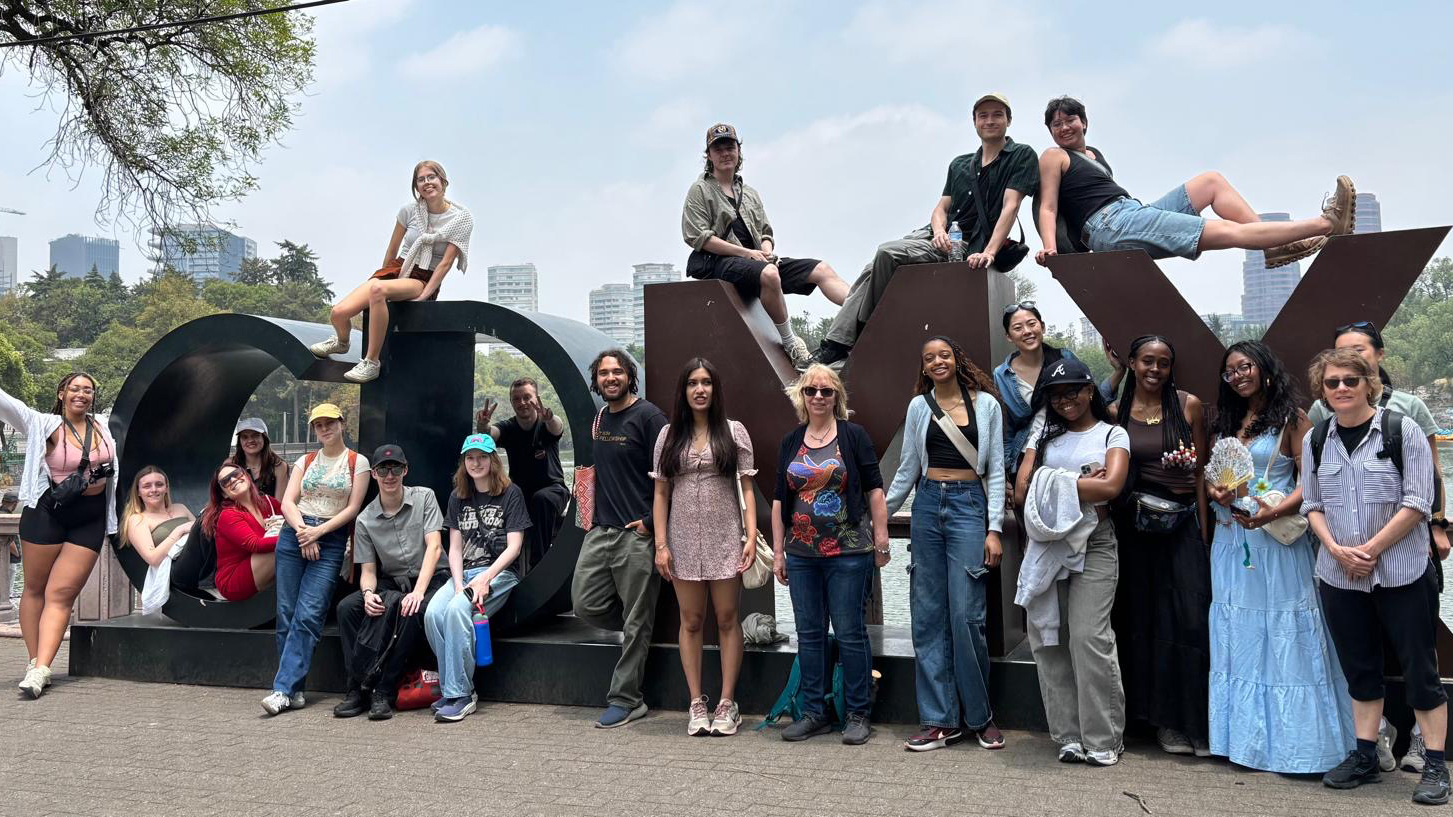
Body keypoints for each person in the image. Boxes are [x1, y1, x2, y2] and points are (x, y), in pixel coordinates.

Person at [1303, 348, 1449, 806]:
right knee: (1359, 668)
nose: (1342, 388)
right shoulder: (1317, 439)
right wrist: (1334, 549)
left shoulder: (1399, 429)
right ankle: (1365, 755)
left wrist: (1369, 550)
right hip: (1339, 575)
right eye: (1332, 383)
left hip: (1400, 572)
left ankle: (1436, 766)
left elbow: (1418, 501)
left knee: (1420, 668)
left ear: (1370, 382)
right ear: (1322, 391)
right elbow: (1312, 504)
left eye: (1351, 379)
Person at [1204, 341, 1354, 773]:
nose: (1237, 376)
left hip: (1275, 540)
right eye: (1229, 372)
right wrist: (1217, 491)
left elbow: (1313, 482)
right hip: (1232, 540)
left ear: (1265, 368)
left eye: (1244, 367)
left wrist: (1276, 508)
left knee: (1285, 629)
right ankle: (1246, 743)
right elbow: (1218, 474)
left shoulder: (1294, 419)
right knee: (1242, 632)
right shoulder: (1229, 420)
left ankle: (1299, 747)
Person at [814, 93, 1039, 367]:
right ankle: (835, 344)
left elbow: (1010, 206)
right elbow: (940, 208)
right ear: (974, 122)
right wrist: (940, 230)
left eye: (997, 115)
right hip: (936, 234)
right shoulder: (960, 164)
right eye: (983, 116)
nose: (990, 121)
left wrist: (989, 252)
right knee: (872, 267)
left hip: (969, 243)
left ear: (1008, 120)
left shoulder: (1021, 155)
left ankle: (858, 334)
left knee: (886, 252)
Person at [1034, 95, 1355, 270]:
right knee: (1228, 232)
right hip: (1109, 226)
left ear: (1084, 122)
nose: (1063, 128)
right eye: (1056, 124)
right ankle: (1327, 223)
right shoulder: (1054, 156)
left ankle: (1271, 247)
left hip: (1129, 212)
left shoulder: (1094, 155)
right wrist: (1050, 248)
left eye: (1070, 120)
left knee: (1210, 182)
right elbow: (1048, 207)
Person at [885, 337, 1007, 751]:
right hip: (926, 506)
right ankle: (939, 720)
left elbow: (995, 473)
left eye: (944, 355)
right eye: (929, 358)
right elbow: (907, 470)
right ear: (923, 367)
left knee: (967, 616)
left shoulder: (986, 405)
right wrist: (879, 515)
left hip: (969, 506)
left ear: (957, 359)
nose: (937, 362)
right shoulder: (920, 407)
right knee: (928, 616)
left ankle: (980, 716)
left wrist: (995, 530)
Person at [1012, 359, 1130, 766]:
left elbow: (1112, 485)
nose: (1066, 400)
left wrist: (1059, 483)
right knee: (1050, 640)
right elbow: (1022, 492)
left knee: (1088, 638)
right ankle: (1067, 734)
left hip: (1095, 544)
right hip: (1048, 547)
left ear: (1089, 391)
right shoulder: (1045, 437)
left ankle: (1104, 737)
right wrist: (1084, 484)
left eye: (1074, 391)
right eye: (1057, 395)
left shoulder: (1112, 433)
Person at [772, 364, 888, 745]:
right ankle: (813, 712)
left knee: (850, 631)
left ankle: (857, 713)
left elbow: (874, 490)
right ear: (801, 397)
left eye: (826, 391)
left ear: (837, 396)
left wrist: (882, 540)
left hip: (848, 552)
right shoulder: (792, 440)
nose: (818, 397)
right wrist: (778, 553)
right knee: (809, 632)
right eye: (811, 391)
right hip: (801, 554)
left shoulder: (853, 437)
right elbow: (778, 501)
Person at [1110, 335, 1213, 756]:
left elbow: (1203, 474)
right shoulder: (1115, 412)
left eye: (1164, 363)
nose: (1155, 369)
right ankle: (1154, 722)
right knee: (1140, 621)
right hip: (1133, 532)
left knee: (1189, 622)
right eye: (1146, 361)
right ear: (1133, 363)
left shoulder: (1188, 405)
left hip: (1182, 527)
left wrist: (1205, 534)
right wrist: (1112, 373)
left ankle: (1190, 722)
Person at [681, 123, 848, 368]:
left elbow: (765, 232)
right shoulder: (700, 190)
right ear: (709, 155)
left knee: (821, 269)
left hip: (757, 260)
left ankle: (862, 311)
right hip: (720, 262)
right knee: (769, 274)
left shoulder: (749, 193)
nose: (725, 153)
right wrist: (747, 253)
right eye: (718, 149)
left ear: (739, 151)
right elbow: (699, 237)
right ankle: (791, 343)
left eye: (730, 147)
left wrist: (766, 251)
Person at [650, 357, 757, 737]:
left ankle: (728, 702)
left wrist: (749, 535)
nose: (700, 389)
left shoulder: (733, 431)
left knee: (727, 618)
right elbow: (661, 493)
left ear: (715, 389)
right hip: (681, 539)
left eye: (706, 382)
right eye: (693, 383)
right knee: (690, 621)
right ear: (683, 390)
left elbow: (746, 486)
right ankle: (697, 701)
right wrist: (661, 545)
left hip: (725, 535)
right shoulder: (668, 435)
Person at [4, 372, 118, 698]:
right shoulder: (43, 424)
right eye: (75, 389)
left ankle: (41, 670)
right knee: (35, 589)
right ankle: (35, 661)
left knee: (62, 594)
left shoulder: (105, 427)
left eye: (88, 390)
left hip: (90, 517)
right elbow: (7, 404)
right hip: (47, 513)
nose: (82, 395)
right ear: (62, 393)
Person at [570, 349, 669, 728]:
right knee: (584, 603)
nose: (611, 378)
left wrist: (649, 523)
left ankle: (627, 699)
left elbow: (669, 475)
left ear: (630, 376)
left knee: (637, 620)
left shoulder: (650, 417)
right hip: (601, 531)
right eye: (604, 373)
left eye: (618, 372)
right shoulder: (599, 419)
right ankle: (637, 627)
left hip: (637, 535)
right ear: (596, 381)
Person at [310, 159, 474, 383]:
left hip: (424, 276)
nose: (427, 183)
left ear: (443, 181)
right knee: (338, 313)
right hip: (399, 267)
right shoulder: (409, 211)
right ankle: (342, 342)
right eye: (421, 179)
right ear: (416, 187)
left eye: (431, 177)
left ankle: (371, 362)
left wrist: (425, 296)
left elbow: (445, 264)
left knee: (378, 290)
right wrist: (383, 275)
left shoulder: (461, 219)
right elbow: (392, 248)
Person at [263, 403, 369, 716]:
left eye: (330, 423)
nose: (325, 429)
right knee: (287, 611)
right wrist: (302, 531)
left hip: (331, 536)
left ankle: (282, 689)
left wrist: (317, 533)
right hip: (295, 534)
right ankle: (293, 688)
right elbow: (288, 502)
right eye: (319, 425)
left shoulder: (356, 462)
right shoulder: (305, 460)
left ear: (342, 424)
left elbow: (352, 509)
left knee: (309, 613)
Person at [333, 444, 448, 721]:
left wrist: (419, 592)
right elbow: (369, 570)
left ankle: (383, 690)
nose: (389, 475)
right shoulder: (364, 520)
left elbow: (434, 547)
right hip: (392, 583)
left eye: (395, 468)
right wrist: (369, 592)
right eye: (383, 469)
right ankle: (356, 688)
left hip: (432, 578)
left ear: (405, 470)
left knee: (412, 609)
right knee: (348, 608)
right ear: (373, 474)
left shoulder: (425, 498)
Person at [424, 433, 530, 723]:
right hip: (464, 574)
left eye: (482, 457)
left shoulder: (511, 494)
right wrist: (458, 584)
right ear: (463, 462)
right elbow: (454, 548)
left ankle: (462, 694)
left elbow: (514, 547)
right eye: (470, 457)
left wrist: (485, 579)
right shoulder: (458, 497)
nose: (476, 463)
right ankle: (450, 689)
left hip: (499, 573)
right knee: (433, 613)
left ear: (493, 460)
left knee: (459, 610)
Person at [993, 302, 1124, 478]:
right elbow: (1006, 428)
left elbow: (1090, 396)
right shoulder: (1002, 374)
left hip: (1070, 448)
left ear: (1043, 327)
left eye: (1032, 324)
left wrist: (1119, 371)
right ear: (1009, 336)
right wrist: (1007, 473)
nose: (1027, 331)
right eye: (1018, 327)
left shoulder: (1064, 357)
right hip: (1028, 456)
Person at [476, 377, 570, 574]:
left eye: (527, 397)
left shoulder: (545, 425)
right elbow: (490, 434)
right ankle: (495, 570)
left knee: (541, 499)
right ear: (512, 403)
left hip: (553, 491)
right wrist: (483, 426)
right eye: (517, 399)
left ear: (536, 399)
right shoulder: (509, 427)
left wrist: (550, 417)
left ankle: (539, 569)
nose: (522, 402)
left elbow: (557, 427)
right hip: (521, 495)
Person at [204, 463, 282, 602]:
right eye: (225, 481)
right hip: (233, 579)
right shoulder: (228, 515)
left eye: (236, 474)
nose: (233, 480)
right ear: (223, 493)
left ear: (246, 476)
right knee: (283, 547)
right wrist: (296, 537)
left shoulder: (268, 502)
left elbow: (292, 517)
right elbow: (255, 544)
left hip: (260, 567)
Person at [121, 466, 194, 568]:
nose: (154, 489)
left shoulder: (181, 508)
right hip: (173, 574)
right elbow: (153, 559)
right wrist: (179, 531)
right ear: (138, 492)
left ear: (166, 488)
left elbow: (201, 534)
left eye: (159, 485)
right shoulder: (138, 519)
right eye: (147, 486)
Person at [227, 418, 289, 500]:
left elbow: (279, 503)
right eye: (245, 437)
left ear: (264, 438)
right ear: (240, 441)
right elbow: (225, 499)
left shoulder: (279, 466)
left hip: (271, 512)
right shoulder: (230, 465)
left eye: (255, 435)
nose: (250, 440)